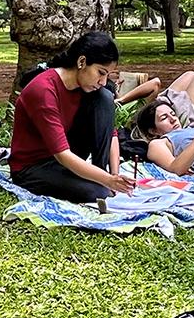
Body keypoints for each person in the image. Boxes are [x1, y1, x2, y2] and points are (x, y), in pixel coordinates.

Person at [8, 31, 134, 204]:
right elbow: (62, 155)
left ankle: (99, 172)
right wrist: (107, 181)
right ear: (82, 62)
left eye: (107, 75)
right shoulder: (44, 90)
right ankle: (99, 180)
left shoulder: (87, 89)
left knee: (105, 98)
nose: (103, 81)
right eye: (100, 73)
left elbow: (109, 133)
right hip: (33, 167)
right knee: (98, 192)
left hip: (66, 156)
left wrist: (114, 175)